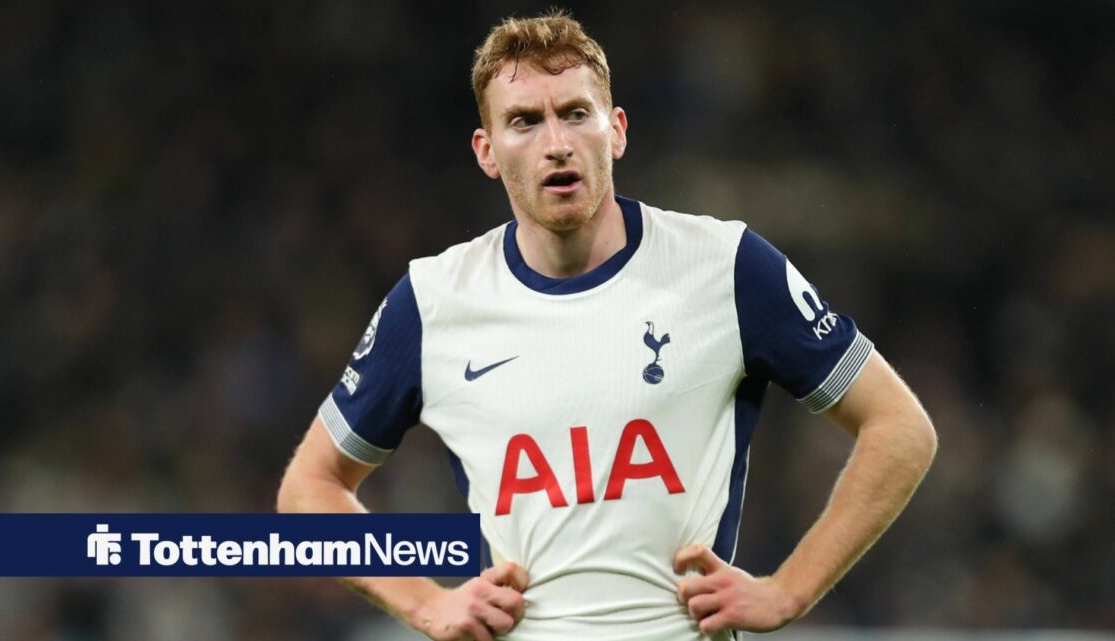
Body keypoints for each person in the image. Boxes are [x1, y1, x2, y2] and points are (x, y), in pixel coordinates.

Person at [277, 10, 937, 641]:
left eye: (575, 114)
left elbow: (900, 427)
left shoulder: (725, 266)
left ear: (615, 130)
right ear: (486, 149)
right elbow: (309, 488)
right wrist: (424, 602)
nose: (556, 143)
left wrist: (790, 588)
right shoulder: (432, 301)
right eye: (524, 122)